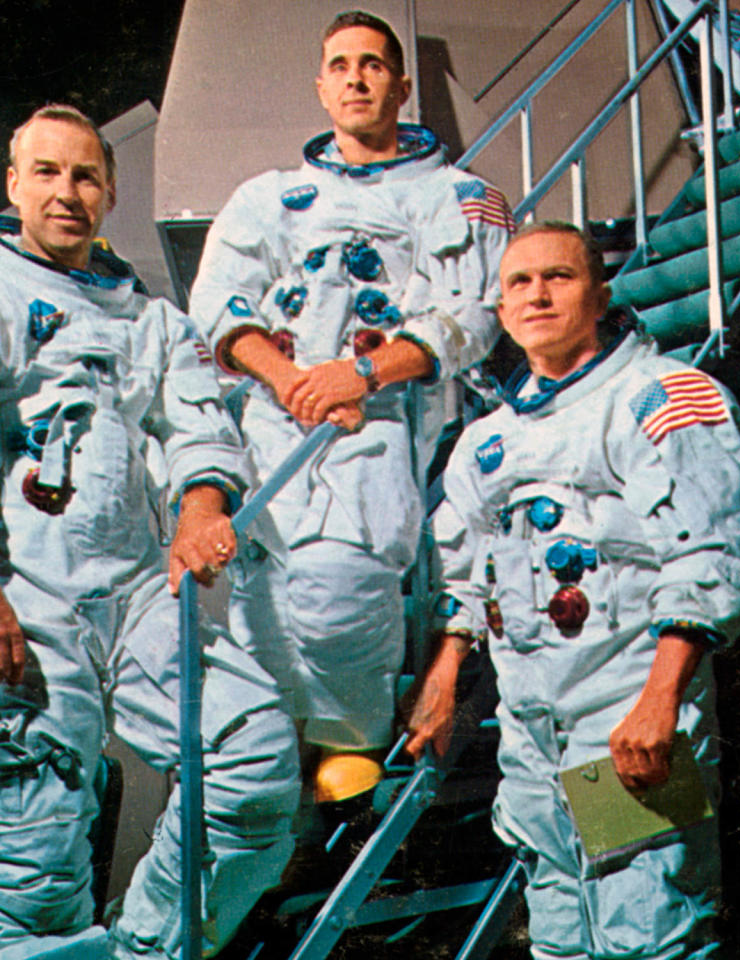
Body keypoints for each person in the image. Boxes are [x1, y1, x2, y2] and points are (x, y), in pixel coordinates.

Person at [0, 104, 299, 960]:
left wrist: (202, 509)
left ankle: (150, 948)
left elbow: (201, 431)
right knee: (30, 835)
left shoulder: (153, 322)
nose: (68, 193)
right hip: (15, 594)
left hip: (138, 591)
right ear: (13, 184)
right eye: (48, 173)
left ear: (109, 193)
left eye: (87, 176)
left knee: (253, 758)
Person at [407, 221, 740, 959]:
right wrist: (445, 676)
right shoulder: (487, 441)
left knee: (645, 934)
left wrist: (661, 699)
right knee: (563, 936)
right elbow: (469, 569)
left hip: (623, 715)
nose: (536, 294)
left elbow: (714, 552)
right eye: (518, 283)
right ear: (501, 311)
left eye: (559, 277)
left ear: (601, 295)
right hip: (534, 730)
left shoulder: (658, 396)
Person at [189, 10, 513, 801]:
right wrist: (290, 378)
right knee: (263, 600)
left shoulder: (462, 196)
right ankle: (279, 761)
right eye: (341, 66)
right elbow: (217, 301)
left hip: (383, 420)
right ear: (322, 87)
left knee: (343, 589)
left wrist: (359, 377)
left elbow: (472, 314)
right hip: (273, 414)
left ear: (402, 87)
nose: (357, 78)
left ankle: (352, 740)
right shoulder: (270, 197)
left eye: (373, 65)